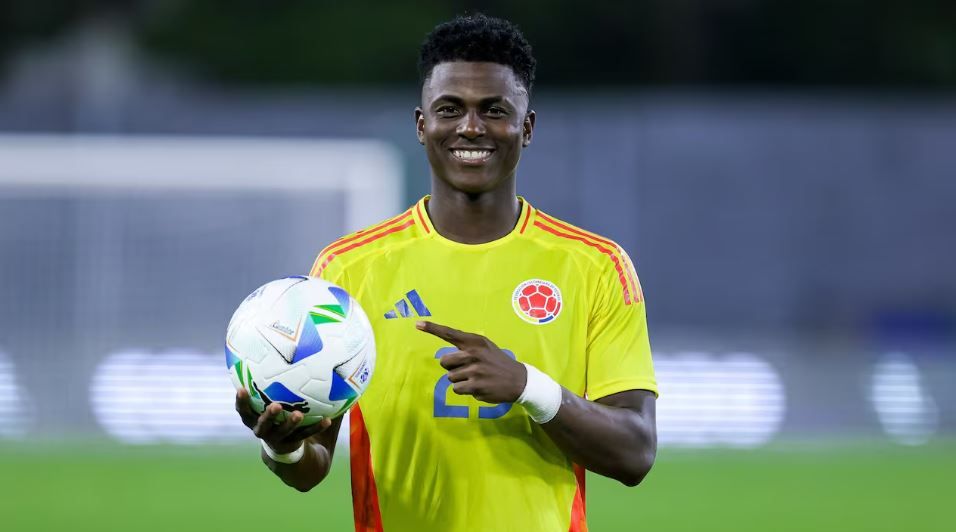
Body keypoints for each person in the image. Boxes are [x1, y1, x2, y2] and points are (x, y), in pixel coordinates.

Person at [235, 13, 658, 532]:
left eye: (494, 110)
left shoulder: (594, 267)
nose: (471, 127)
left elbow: (635, 453)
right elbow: (313, 466)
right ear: (422, 125)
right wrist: (283, 449)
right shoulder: (348, 269)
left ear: (526, 128)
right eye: (450, 109)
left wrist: (528, 385)